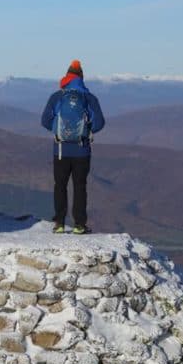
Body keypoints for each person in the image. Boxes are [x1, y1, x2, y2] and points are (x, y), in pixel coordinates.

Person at [40, 59, 105, 234]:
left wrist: (57, 130)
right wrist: (87, 130)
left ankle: (59, 223)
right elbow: (99, 123)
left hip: (60, 150)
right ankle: (79, 225)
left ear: (66, 77)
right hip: (82, 151)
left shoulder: (57, 97)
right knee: (80, 186)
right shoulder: (89, 98)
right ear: (81, 77)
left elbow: (45, 120)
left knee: (59, 185)